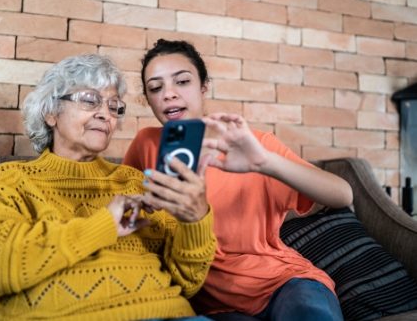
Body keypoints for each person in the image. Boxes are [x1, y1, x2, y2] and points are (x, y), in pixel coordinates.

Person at [0, 54, 217, 321]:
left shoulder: (135, 182)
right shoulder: (10, 181)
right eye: (90, 100)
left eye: (114, 106)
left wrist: (194, 219)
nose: (105, 114)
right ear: (50, 113)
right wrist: (103, 224)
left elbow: (187, 283)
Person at [123, 39, 354, 321]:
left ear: (203, 86)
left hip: (284, 285)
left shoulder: (253, 143)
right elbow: (129, 220)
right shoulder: (146, 145)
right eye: (156, 88)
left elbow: (342, 195)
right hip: (212, 304)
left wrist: (264, 162)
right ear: (148, 99)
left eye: (182, 81)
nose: (168, 94)